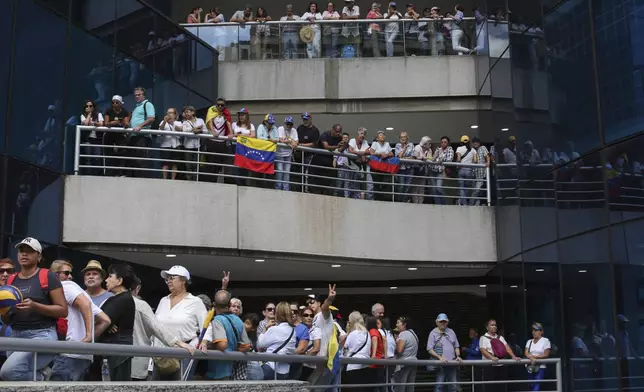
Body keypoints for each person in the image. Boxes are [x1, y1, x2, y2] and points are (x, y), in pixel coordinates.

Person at [0, 238, 68, 381]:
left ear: (39, 256)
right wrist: (3, 311)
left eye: (30, 251)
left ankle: (43, 377)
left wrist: (35, 306)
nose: (24, 254)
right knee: (14, 380)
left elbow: (63, 311)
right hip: (15, 335)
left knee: (9, 372)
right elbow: (7, 318)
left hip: (41, 334)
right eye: (21, 251)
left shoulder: (48, 276)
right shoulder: (11, 279)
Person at [49, 260, 111, 381]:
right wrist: (85, 339)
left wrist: (88, 336)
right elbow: (105, 320)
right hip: (82, 355)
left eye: (69, 273)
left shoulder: (65, 286)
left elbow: (85, 305)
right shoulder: (80, 291)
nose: (70, 277)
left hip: (69, 354)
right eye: (66, 273)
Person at [93, 264, 136, 381]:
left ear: (120, 280)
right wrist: (108, 324)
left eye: (110, 276)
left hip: (118, 353)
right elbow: (105, 319)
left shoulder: (122, 299)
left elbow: (99, 319)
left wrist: (106, 323)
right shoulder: (118, 299)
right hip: (115, 351)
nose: (106, 280)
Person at [257, 301, 297, 380]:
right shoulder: (293, 331)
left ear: (277, 314)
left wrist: (265, 328)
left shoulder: (274, 329)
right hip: (285, 370)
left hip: (270, 368)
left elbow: (260, 344)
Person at [427, 313, 462, 392]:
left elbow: (456, 346)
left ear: (447, 322)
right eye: (441, 321)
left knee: (453, 386)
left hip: (452, 363)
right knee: (439, 386)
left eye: (444, 321)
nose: (443, 323)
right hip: (440, 364)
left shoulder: (451, 331)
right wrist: (440, 357)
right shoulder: (433, 333)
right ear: (437, 322)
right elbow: (429, 349)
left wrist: (458, 356)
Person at [394, 316, 419, 392]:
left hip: (404, 364)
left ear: (404, 325)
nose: (396, 325)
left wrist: (396, 340)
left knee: (400, 386)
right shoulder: (413, 334)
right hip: (414, 362)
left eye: (398, 323)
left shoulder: (403, 334)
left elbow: (399, 350)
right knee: (410, 386)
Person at [524, 323, 551, 391]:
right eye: (533, 330)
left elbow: (546, 354)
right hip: (530, 366)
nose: (533, 332)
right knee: (530, 386)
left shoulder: (545, 340)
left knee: (536, 386)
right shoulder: (529, 341)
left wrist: (535, 357)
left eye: (536, 330)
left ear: (541, 331)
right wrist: (530, 357)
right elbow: (526, 353)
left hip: (540, 367)